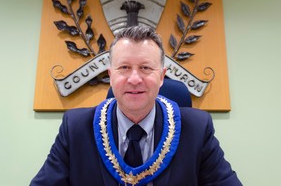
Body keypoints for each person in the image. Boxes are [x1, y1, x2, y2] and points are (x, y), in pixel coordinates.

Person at [31, 26, 242, 186]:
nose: (134, 79)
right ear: (110, 76)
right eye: (124, 67)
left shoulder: (196, 128)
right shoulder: (75, 128)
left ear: (161, 77)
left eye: (145, 68)